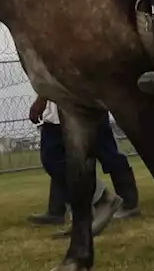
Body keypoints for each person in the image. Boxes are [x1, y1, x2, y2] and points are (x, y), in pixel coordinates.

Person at [26, 96, 139, 229]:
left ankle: (119, 200)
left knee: (106, 153)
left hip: (80, 103)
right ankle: (57, 209)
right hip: (62, 108)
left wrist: (42, 98)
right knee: (57, 158)